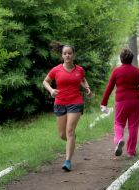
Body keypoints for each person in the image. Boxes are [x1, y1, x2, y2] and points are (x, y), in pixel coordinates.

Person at [43, 42, 92, 171]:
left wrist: (87, 88)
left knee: (69, 131)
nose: (67, 55)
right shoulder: (56, 70)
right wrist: (51, 90)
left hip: (75, 102)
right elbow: (45, 81)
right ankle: (72, 140)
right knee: (62, 134)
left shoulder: (79, 70)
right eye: (65, 53)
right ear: (62, 55)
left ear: (73, 55)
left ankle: (67, 161)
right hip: (60, 103)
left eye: (70, 53)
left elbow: (82, 79)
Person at [100, 48, 139, 158]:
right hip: (136, 101)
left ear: (121, 59)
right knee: (133, 126)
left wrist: (104, 103)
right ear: (131, 59)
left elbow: (109, 88)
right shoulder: (137, 71)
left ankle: (119, 140)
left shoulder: (116, 71)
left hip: (121, 101)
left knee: (119, 123)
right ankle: (131, 152)